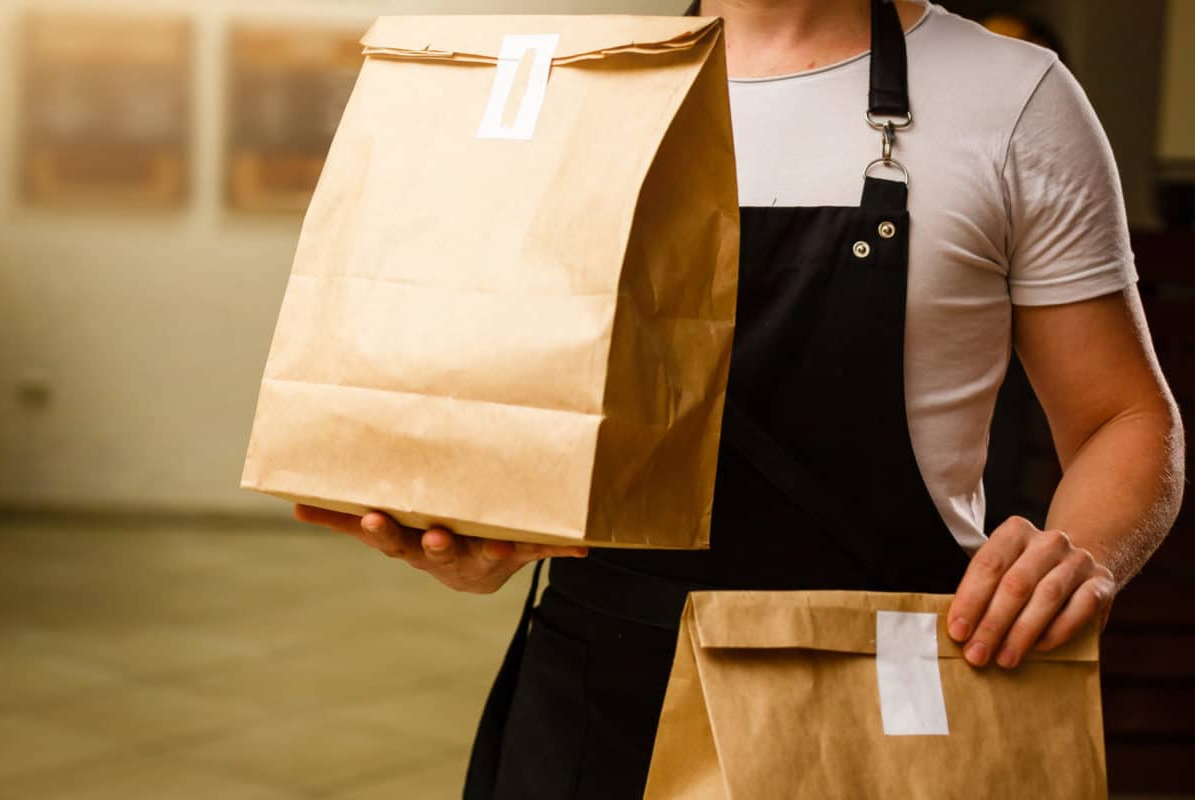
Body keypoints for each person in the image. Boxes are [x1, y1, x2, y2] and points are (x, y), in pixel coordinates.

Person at [294, 1, 1186, 797]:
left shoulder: (1015, 98)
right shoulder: (587, 87)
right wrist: (473, 529)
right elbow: (509, 391)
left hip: (882, 692)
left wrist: (1088, 555)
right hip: (598, 688)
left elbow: (1125, 416)